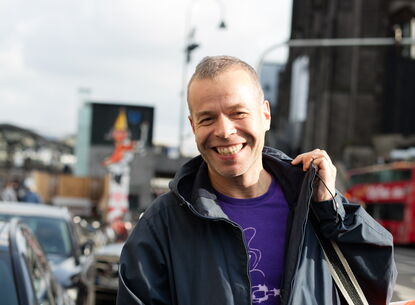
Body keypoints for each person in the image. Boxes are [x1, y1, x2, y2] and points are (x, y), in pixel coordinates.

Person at [117, 56, 397, 305]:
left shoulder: (312, 205)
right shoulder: (162, 222)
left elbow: (379, 282)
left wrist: (332, 210)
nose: (225, 131)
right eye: (207, 119)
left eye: (238, 113)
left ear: (265, 114)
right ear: (193, 127)